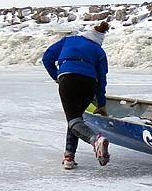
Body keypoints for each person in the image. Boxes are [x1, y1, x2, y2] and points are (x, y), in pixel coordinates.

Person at [42, 21, 111, 169]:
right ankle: (69, 157)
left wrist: (57, 77)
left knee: (73, 120)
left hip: (69, 78)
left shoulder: (69, 40)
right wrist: (101, 104)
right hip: (90, 83)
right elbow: (102, 80)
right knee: (76, 118)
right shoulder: (99, 52)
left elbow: (47, 58)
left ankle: (95, 140)